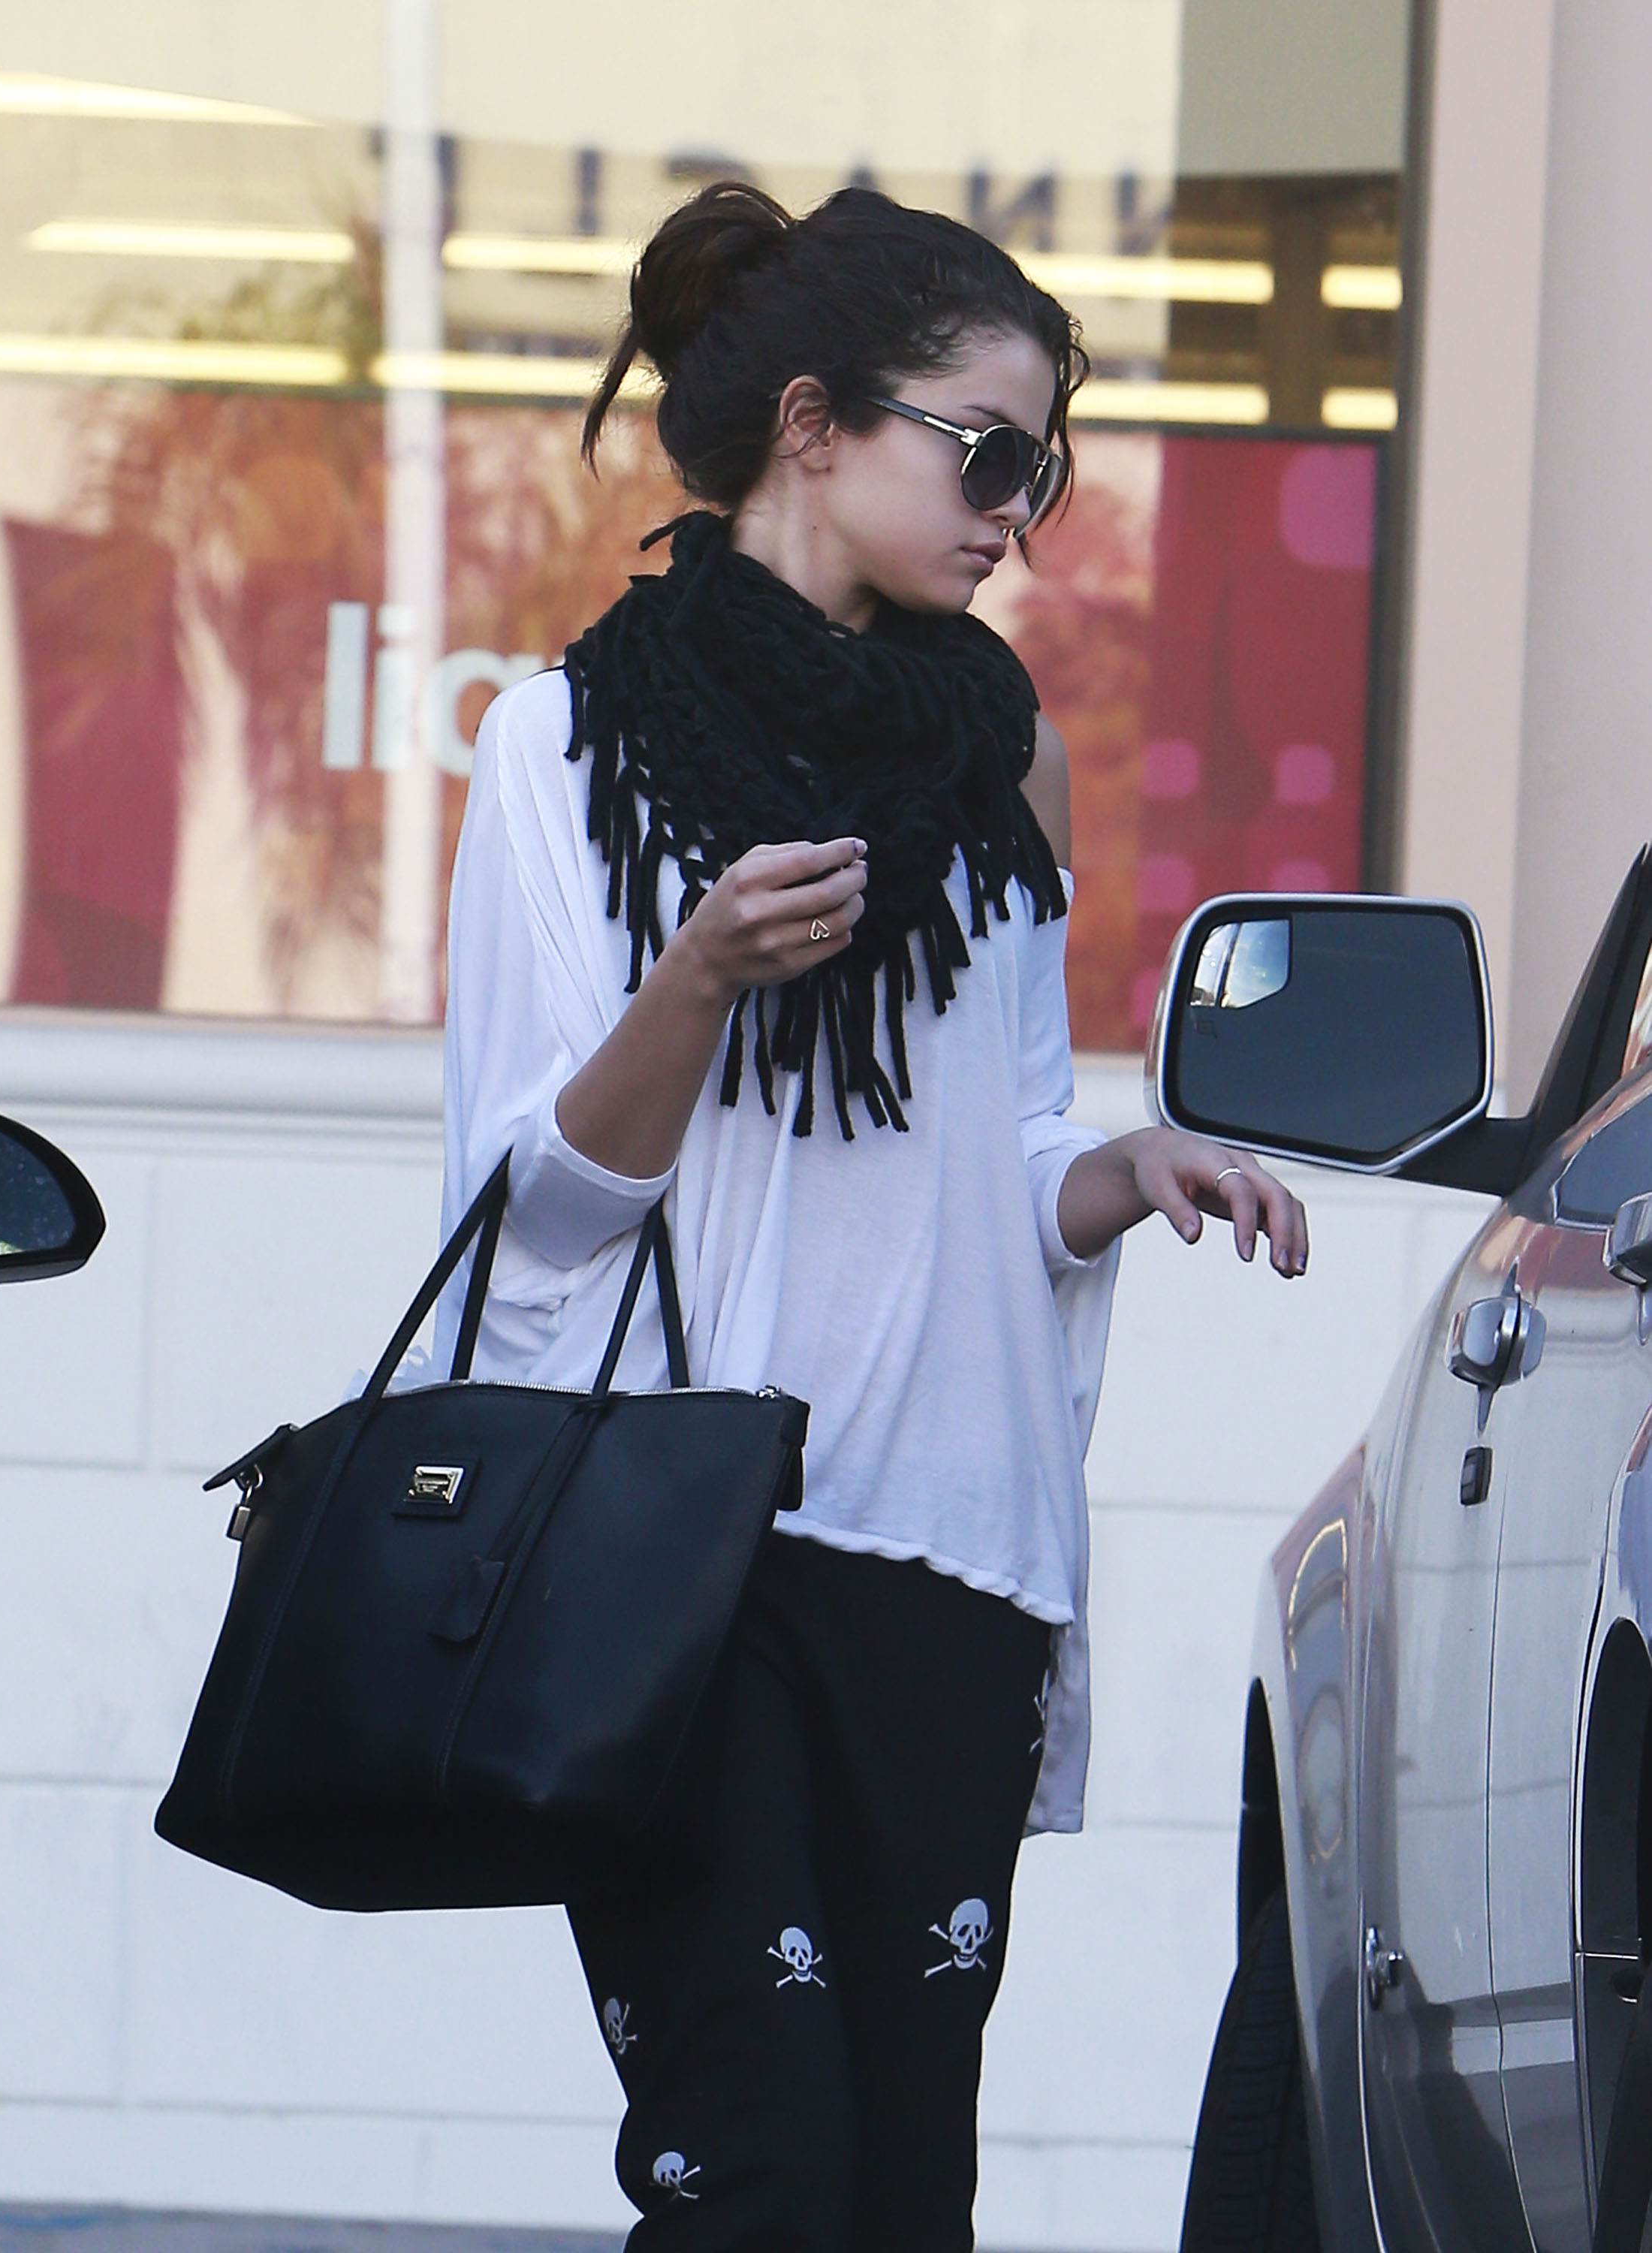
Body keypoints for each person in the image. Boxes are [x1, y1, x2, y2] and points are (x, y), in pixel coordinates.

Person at [439, 180, 1308, 2253]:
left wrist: (1122, 1174)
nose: (1022, 513)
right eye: (988, 454)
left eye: (1046, 472)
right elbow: (532, 1206)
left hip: (952, 1545)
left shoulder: (1012, 766)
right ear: (814, 425)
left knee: (907, 2191)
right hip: (680, 1557)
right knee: (760, 2173)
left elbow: (1007, 1152)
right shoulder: (563, 749)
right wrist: (698, 979)